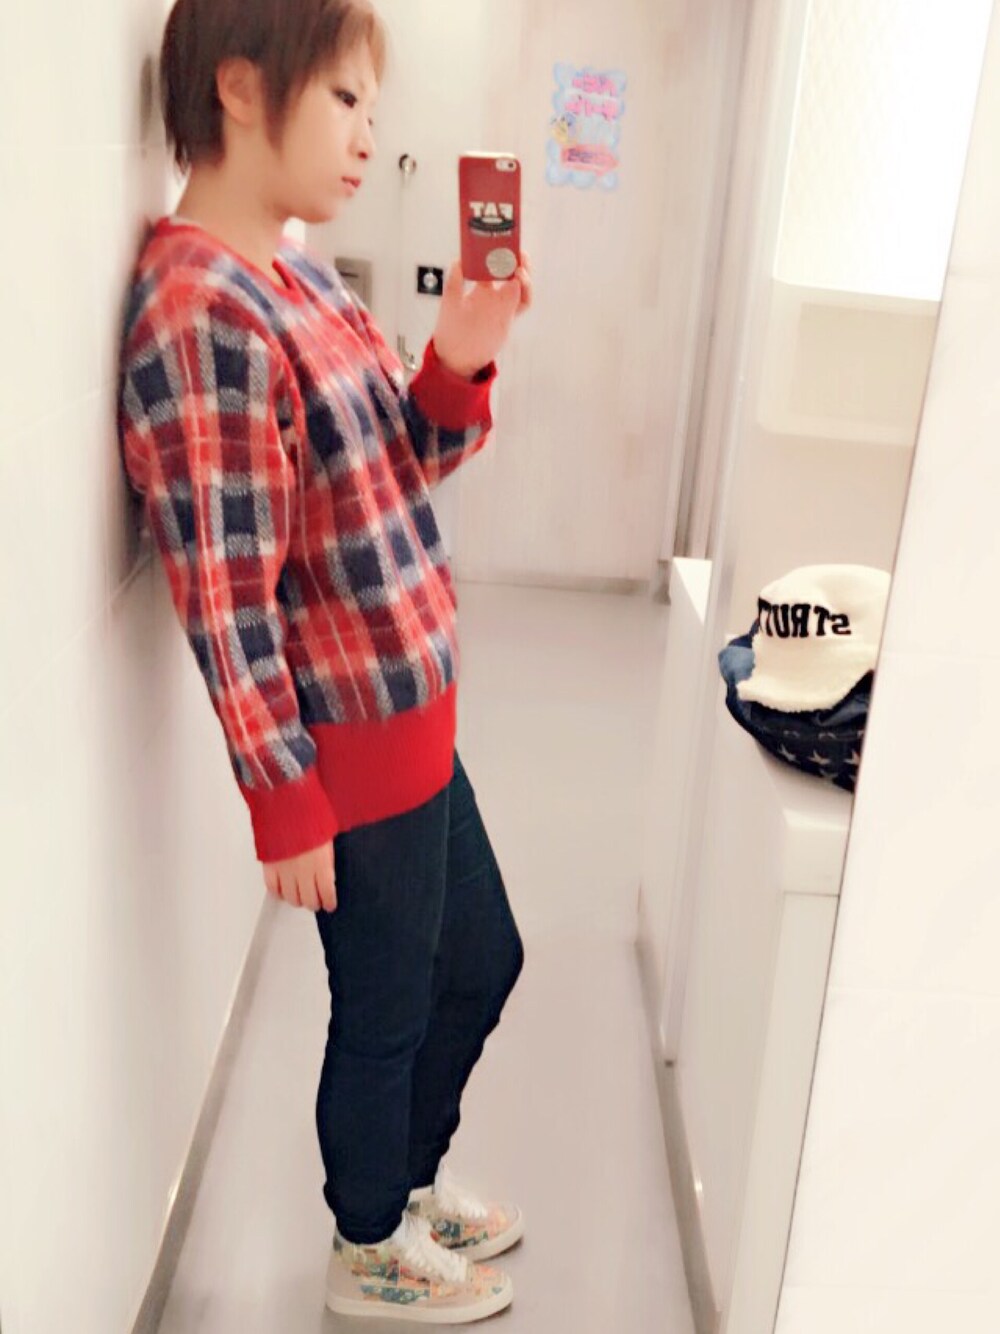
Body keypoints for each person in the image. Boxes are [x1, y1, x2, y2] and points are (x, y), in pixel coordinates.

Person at [116, 0, 532, 1321]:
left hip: (416, 714)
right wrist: (284, 795)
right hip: (352, 749)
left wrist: (460, 362)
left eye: (371, 108)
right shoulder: (205, 315)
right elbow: (226, 597)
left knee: (482, 962)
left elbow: (393, 469)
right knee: (387, 1016)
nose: (367, 137)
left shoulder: (298, 276)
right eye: (345, 100)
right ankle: (369, 1244)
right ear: (243, 88)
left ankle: (405, 1183)